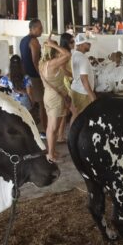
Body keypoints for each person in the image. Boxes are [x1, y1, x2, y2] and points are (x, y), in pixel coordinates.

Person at [40, 33, 73, 162]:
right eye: (56, 47)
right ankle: (51, 155)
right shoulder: (51, 64)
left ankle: (52, 151)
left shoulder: (43, 63)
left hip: (49, 95)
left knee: (51, 127)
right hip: (55, 97)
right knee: (53, 128)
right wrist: (54, 44)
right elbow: (67, 54)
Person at [19, 19, 45, 132]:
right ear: (33, 28)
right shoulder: (33, 41)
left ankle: (30, 127)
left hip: (26, 75)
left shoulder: (23, 40)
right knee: (41, 104)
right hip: (34, 76)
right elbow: (35, 61)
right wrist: (42, 76)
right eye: (40, 28)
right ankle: (44, 128)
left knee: (31, 103)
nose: (42, 30)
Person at [70, 33, 97, 117]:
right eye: (88, 43)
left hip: (76, 89)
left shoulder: (74, 54)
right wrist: (92, 95)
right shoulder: (82, 58)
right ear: (81, 45)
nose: (90, 45)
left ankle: (73, 130)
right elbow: (84, 79)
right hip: (83, 93)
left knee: (76, 115)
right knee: (81, 117)